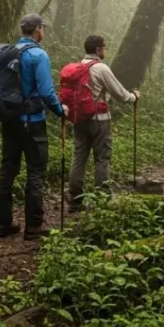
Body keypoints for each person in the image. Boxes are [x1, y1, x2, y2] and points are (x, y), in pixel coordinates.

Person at [0, 13, 67, 241]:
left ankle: (3, 224)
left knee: (7, 170)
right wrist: (60, 110)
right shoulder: (38, 55)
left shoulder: (8, 53)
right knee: (35, 171)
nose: (43, 31)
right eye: (42, 28)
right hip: (33, 121)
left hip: (10, 120)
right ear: (36, 30)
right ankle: (33, 226)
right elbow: (46, 91)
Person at [68, 35, 139, 212]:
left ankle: (76, 200)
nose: (105, 50)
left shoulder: (76, 68)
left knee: (79, 158)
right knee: (102, 159)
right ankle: (103, 200)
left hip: (79, 120)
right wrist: (134, 96)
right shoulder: (101, 68)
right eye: (104, 47)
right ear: (99, 50)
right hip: (99, 120)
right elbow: (121, 95)